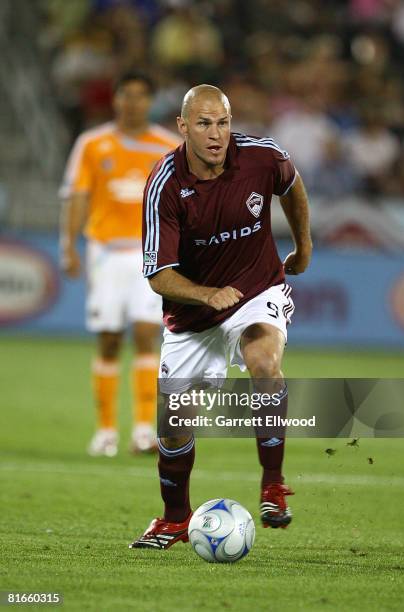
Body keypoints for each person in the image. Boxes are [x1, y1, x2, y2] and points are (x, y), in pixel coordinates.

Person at [130, 84, 312, 549]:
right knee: (173, 423)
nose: (217, 134)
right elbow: (158, 275)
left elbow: (291, 186)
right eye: (205, 124)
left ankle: (273, 485)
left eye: (224, 123)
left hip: (255, 289)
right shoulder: (165, 185)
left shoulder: (261, 157)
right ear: (183, 126)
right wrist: (206, 295)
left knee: (265, 364)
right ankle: (174, 519)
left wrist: (304, 245)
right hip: (193, 314)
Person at [59, 72, 180, 456]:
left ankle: (143, 430)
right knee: (109, 338)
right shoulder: (92, 143)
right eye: (126, 95)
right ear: (115, 100)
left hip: (151, 254)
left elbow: (185, 201)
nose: (133, 103)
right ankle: (106, 430)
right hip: (106, 253)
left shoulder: (169, 146)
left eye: (141, 96)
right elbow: (78, 194)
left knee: (147, 334)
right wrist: (68, 244)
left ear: (151, 101)